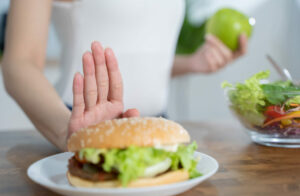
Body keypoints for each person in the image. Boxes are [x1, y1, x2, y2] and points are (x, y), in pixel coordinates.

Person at [2, 0, 247, 151]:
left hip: (158, 128)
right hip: (76, 128)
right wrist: (67, 132)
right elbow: (19, 63)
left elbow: (139, 57)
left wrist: (193, 63)